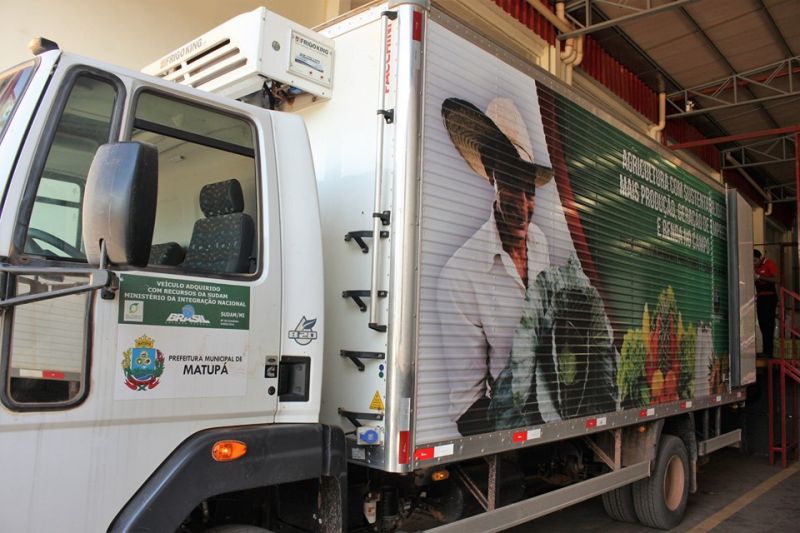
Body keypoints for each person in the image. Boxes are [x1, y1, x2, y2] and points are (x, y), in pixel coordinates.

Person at [436, 97, 554, 435]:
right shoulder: (460, 277)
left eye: (529, 191)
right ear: (492, 177)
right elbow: (467, 408)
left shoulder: (541, 242)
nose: (522, 204)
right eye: (511, 187)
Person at [754, 249, 779, 357]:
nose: (753, 263)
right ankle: (765, 350)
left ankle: (769, 351)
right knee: (762, 323)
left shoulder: (769, 263)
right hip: (760, 297)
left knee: (769, 323)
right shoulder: (754, 268)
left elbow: (777, 279)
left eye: (755, 261)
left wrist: (759, 277)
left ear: (760, 258)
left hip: (770, 296)